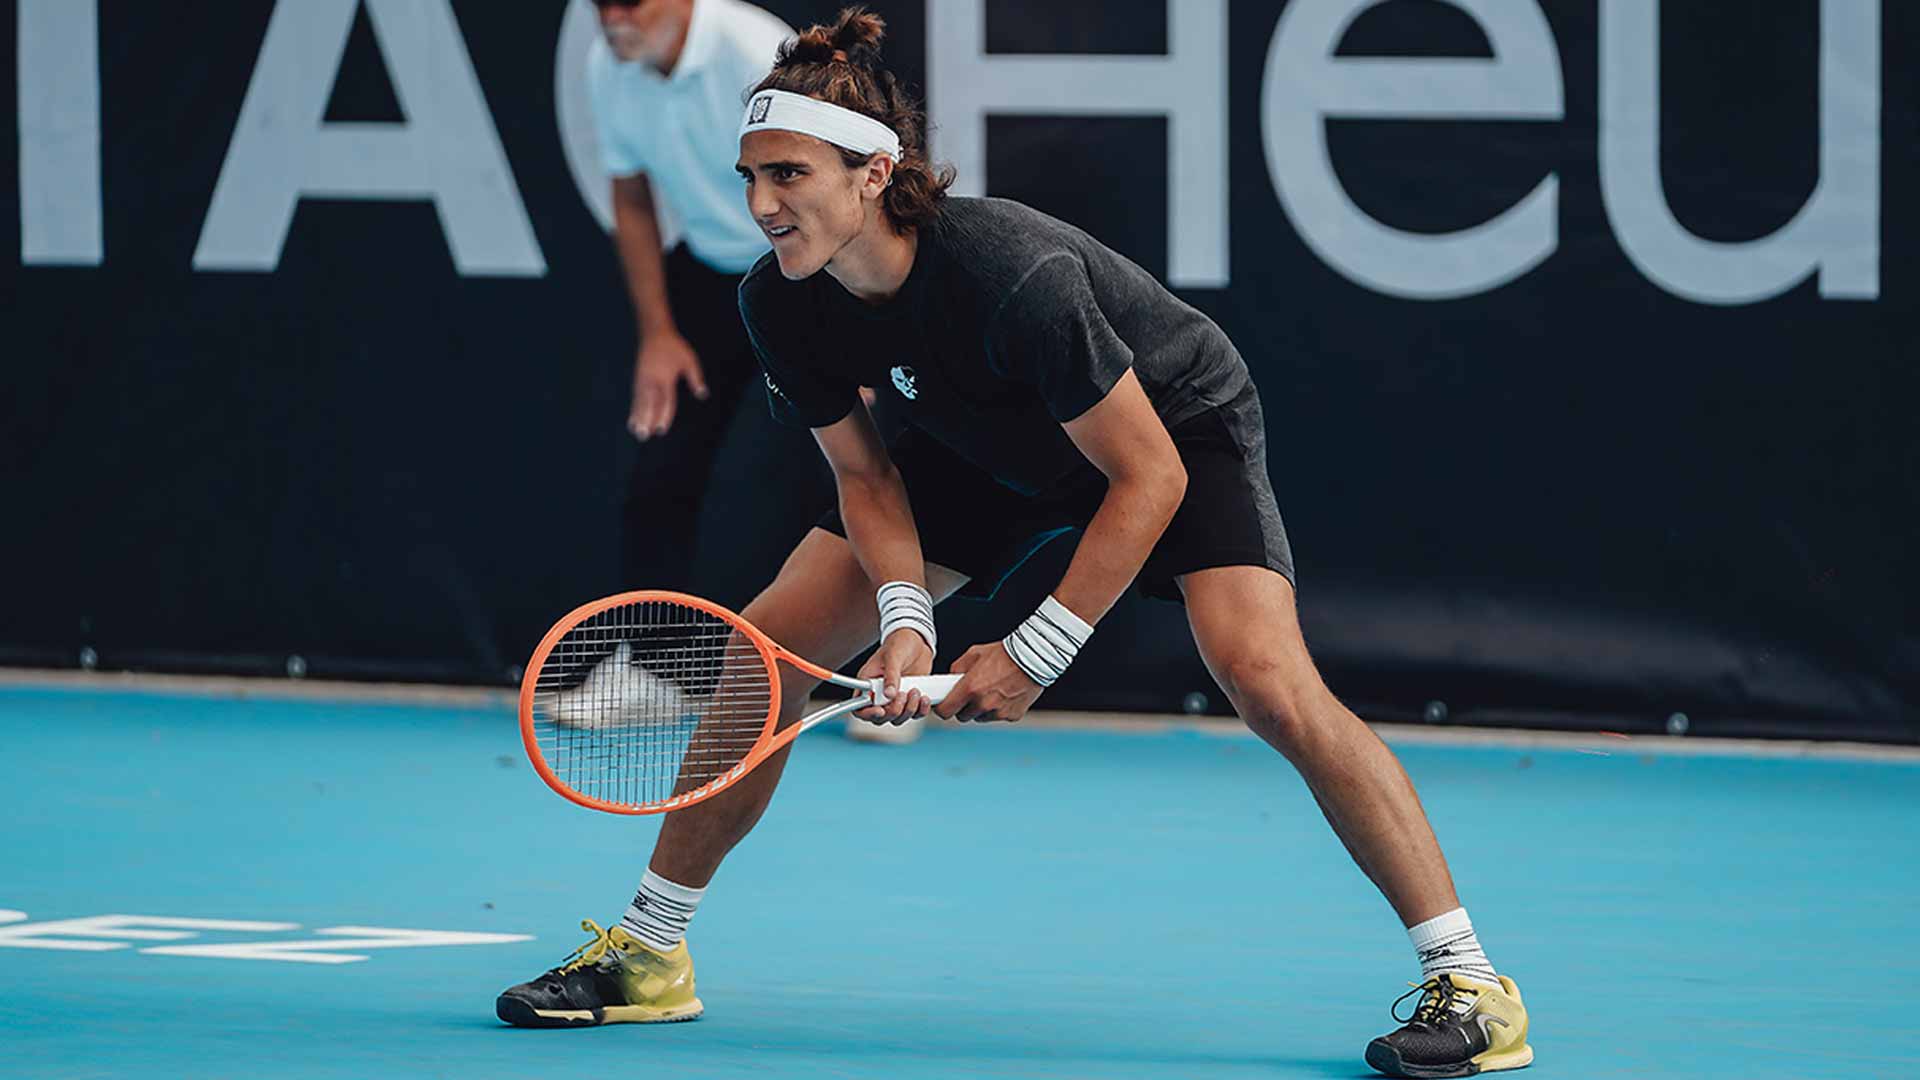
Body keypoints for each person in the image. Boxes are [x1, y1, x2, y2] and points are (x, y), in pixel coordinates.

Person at [502, 9, 1536, 1076]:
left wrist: (1036, 653)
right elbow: (865, 475)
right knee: (766, 653)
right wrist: (908, 619)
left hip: (1168, 430)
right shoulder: (782, 302)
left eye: (788, 174)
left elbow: (1148, 477)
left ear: (871, 173)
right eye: (748, 175)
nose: (761, 204)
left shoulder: (1009, 271)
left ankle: (1472, 984)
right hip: (975, 441)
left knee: (1266, 677)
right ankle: (649, 955)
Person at [575, 0, 914, 742]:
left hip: (812, 268)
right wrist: (659, 332)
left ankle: (881, 679)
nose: (613, 16)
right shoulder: (611, 67)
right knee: (663, 464)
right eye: (601, 2)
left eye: (630, 1)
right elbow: (630, 198)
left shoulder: (750, 50)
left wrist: (853, 318)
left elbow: (832, 184)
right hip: (708, 277)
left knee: (854, 475)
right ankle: (657, 668)